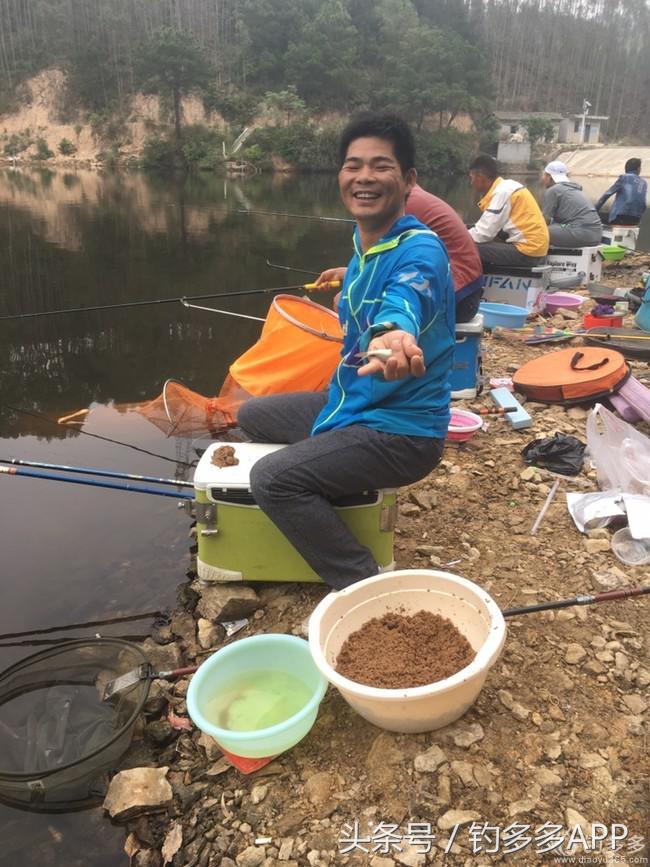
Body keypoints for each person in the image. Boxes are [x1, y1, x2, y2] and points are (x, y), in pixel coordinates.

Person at [238, 114, 455, 591]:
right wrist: (346, 273)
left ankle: (359, 582)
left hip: (402, 431)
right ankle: (329, 492)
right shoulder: (367, 240)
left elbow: (406, 297)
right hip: (352, 400)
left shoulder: (422, 253)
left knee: (273, 480)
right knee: (253, 415)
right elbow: (378, 272)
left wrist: (392, 335)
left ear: (409, 180)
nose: (364, 177)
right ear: (340, 175)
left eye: (381, 166)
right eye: (353, 165)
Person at [318, 184, 483, 322]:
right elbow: (384, 263)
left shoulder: (402, 206)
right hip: (467, 291)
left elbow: (386, 267)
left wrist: (353, 287)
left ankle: (362, 354)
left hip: (459, 298)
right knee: (351, 296)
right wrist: (349, 274)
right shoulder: (409, 197)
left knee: (344, 301)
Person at [467, 154, 549, 268]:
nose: (471, 183)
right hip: (535, 249)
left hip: (527, 252)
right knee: (469, 231)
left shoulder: (502, 192)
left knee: (466, 246)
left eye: (471, 177)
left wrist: (454, 237)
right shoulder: (507, 186)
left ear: (480, 176)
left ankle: (467, 283)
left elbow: (483, 233)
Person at [542, 160, 602, 247]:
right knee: (556, 226)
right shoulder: (575, 189)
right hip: (596, 235)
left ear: (549, 177)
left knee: (537, 231)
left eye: (544, 175)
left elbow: (544, 220)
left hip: (578, 232)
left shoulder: (553, 190)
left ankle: (534, 260)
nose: (543, 178)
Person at [595, 158, 647, 226]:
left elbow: (607, 194)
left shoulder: (624, 178)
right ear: (638, 169)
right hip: (636, 218)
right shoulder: (644, 183)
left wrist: (595, 210)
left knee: (601, 218)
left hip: (620, 216)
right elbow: (642, 202)